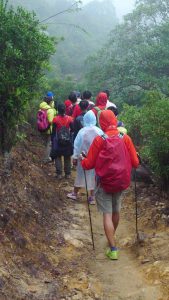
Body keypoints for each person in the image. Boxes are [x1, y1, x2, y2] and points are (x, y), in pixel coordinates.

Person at [81, 110, 139, 260]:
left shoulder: (99, 140)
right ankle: (111, 239)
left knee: (107, 214)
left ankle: (113, 248)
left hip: (105, 183)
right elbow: (135, 163)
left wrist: (82, 159)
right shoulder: (125, 138)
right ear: (114, 120)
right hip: (121, 182)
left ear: (102, 122)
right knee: (116, 210)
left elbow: (88, 164)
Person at [67, 110, 103, 204]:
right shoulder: (99, 131)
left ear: (85, 120)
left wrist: (75, 157)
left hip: (83, 157)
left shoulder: (82, 131)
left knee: (80, 175)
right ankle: (92, 197)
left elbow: (77, 145)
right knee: (94, 177)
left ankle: (74, 193)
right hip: (96, 159)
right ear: (95, 119)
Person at [52, 103, 73, 179]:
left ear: (58, 110)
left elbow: (53, 132)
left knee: (57, 157)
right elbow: (72, 130)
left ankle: (59, 174)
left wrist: (53, 141)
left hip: (58, 141)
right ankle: (68, 174)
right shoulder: (70, 119)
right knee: (67, 157)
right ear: (65, 110)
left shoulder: (55, 119)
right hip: (67, 141)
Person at [39, 91, 56, 162]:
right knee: (49, 144)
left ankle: (43, 157)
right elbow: (51, 120)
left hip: (42, 128)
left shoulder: (41, 107)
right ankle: (46, 158)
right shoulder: (50, 110)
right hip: (49, 129)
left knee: (44, 143)